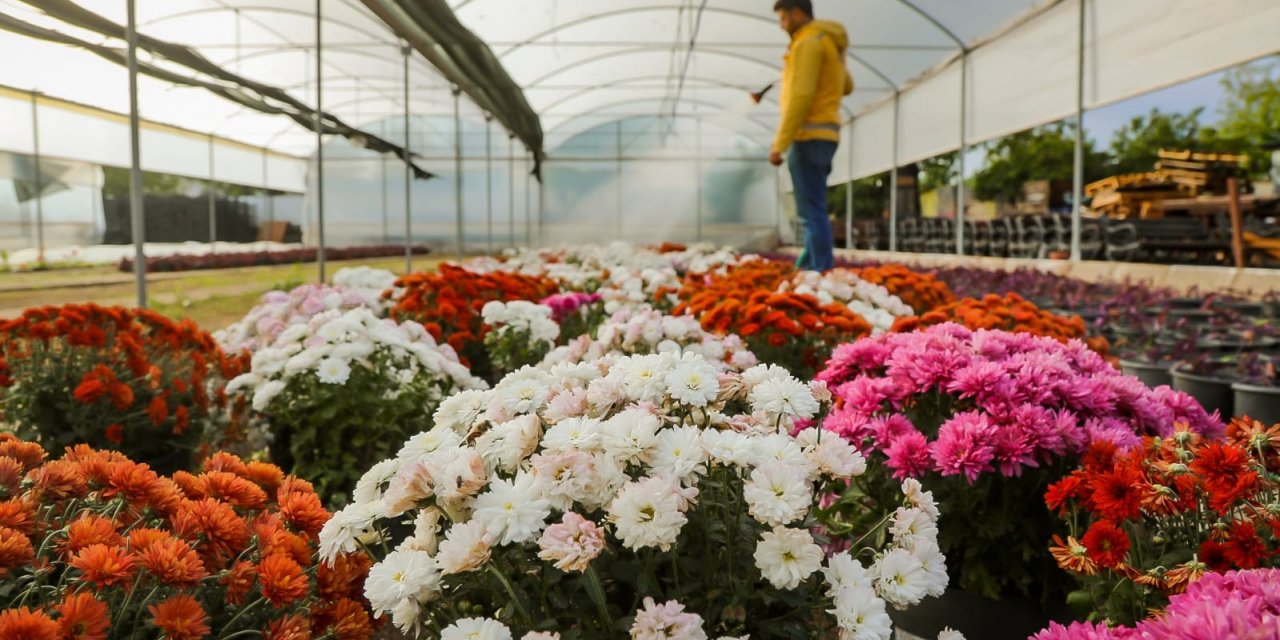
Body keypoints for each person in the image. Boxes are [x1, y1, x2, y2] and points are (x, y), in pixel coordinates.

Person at [769, 0, 853, 272]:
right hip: (827, 135)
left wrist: (779, 144)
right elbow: (847, 86)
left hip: (807, 134)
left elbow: (801, 96)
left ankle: (820, 273)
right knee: (814, 208)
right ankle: (807, 267)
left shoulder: (807, 43)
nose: (782, 26)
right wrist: (838, 58)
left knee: (810, 213)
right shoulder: (827, 41)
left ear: (797, 13)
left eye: (784, 18)